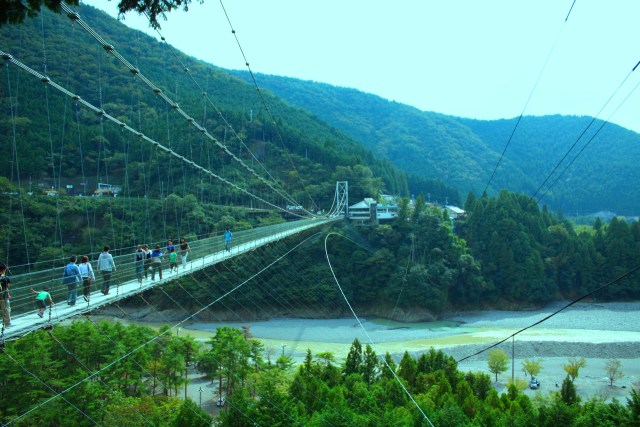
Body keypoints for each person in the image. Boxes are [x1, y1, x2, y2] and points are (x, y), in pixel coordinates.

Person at [0, 262, 11, 327]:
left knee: (3, 309)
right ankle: (7, 323)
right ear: (4, 270)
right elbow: (8, 286)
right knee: (6, 308)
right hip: (4, 295)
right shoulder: (6, 278)